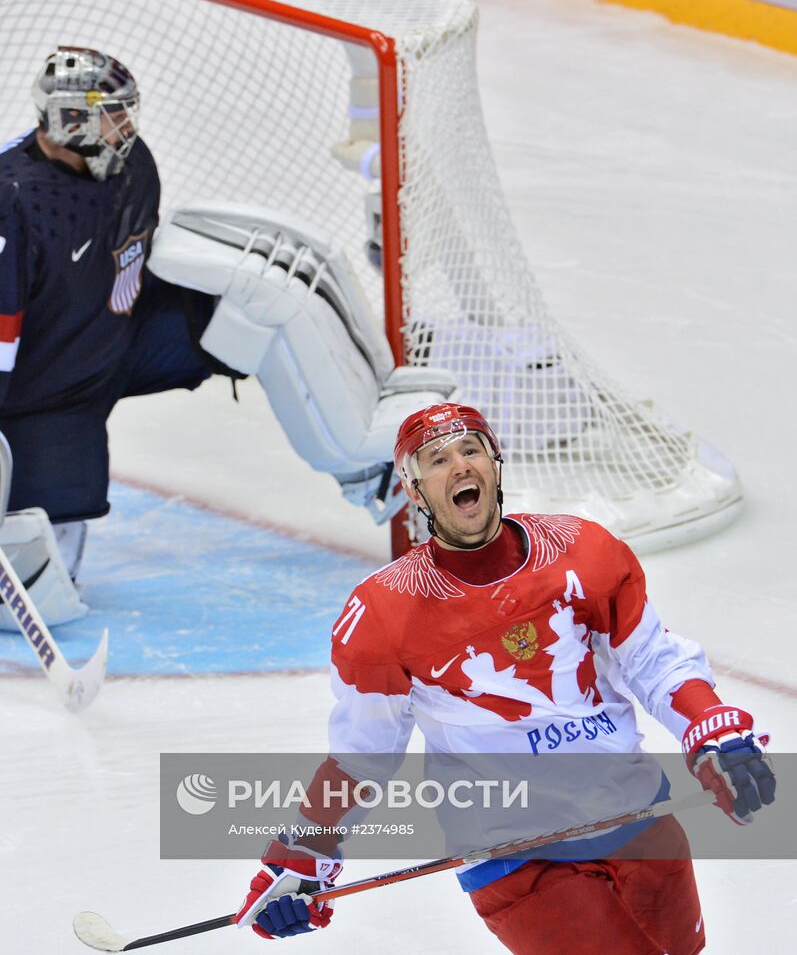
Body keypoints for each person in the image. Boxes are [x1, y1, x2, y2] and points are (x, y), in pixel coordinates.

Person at [235, 402, 775, 953]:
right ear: (417, 493)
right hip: (517, 859)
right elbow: (360, 756)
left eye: (471, 450)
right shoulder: (383, 611)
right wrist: (302, 852)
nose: (460, 466)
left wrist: (712, 729)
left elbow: (652, 661)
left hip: (640, 822)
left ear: (495, 465)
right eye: (437, 459)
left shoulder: (582, 552)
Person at [0, 46, 221, 624]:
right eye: (112, 115)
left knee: (253, 311)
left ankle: (369, 466)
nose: (127, 128)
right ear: (68, 120)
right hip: (42, 390)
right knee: (52, 539)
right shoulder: (13, 199)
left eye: (127, 112)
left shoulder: (135, 164)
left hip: (124, 338)